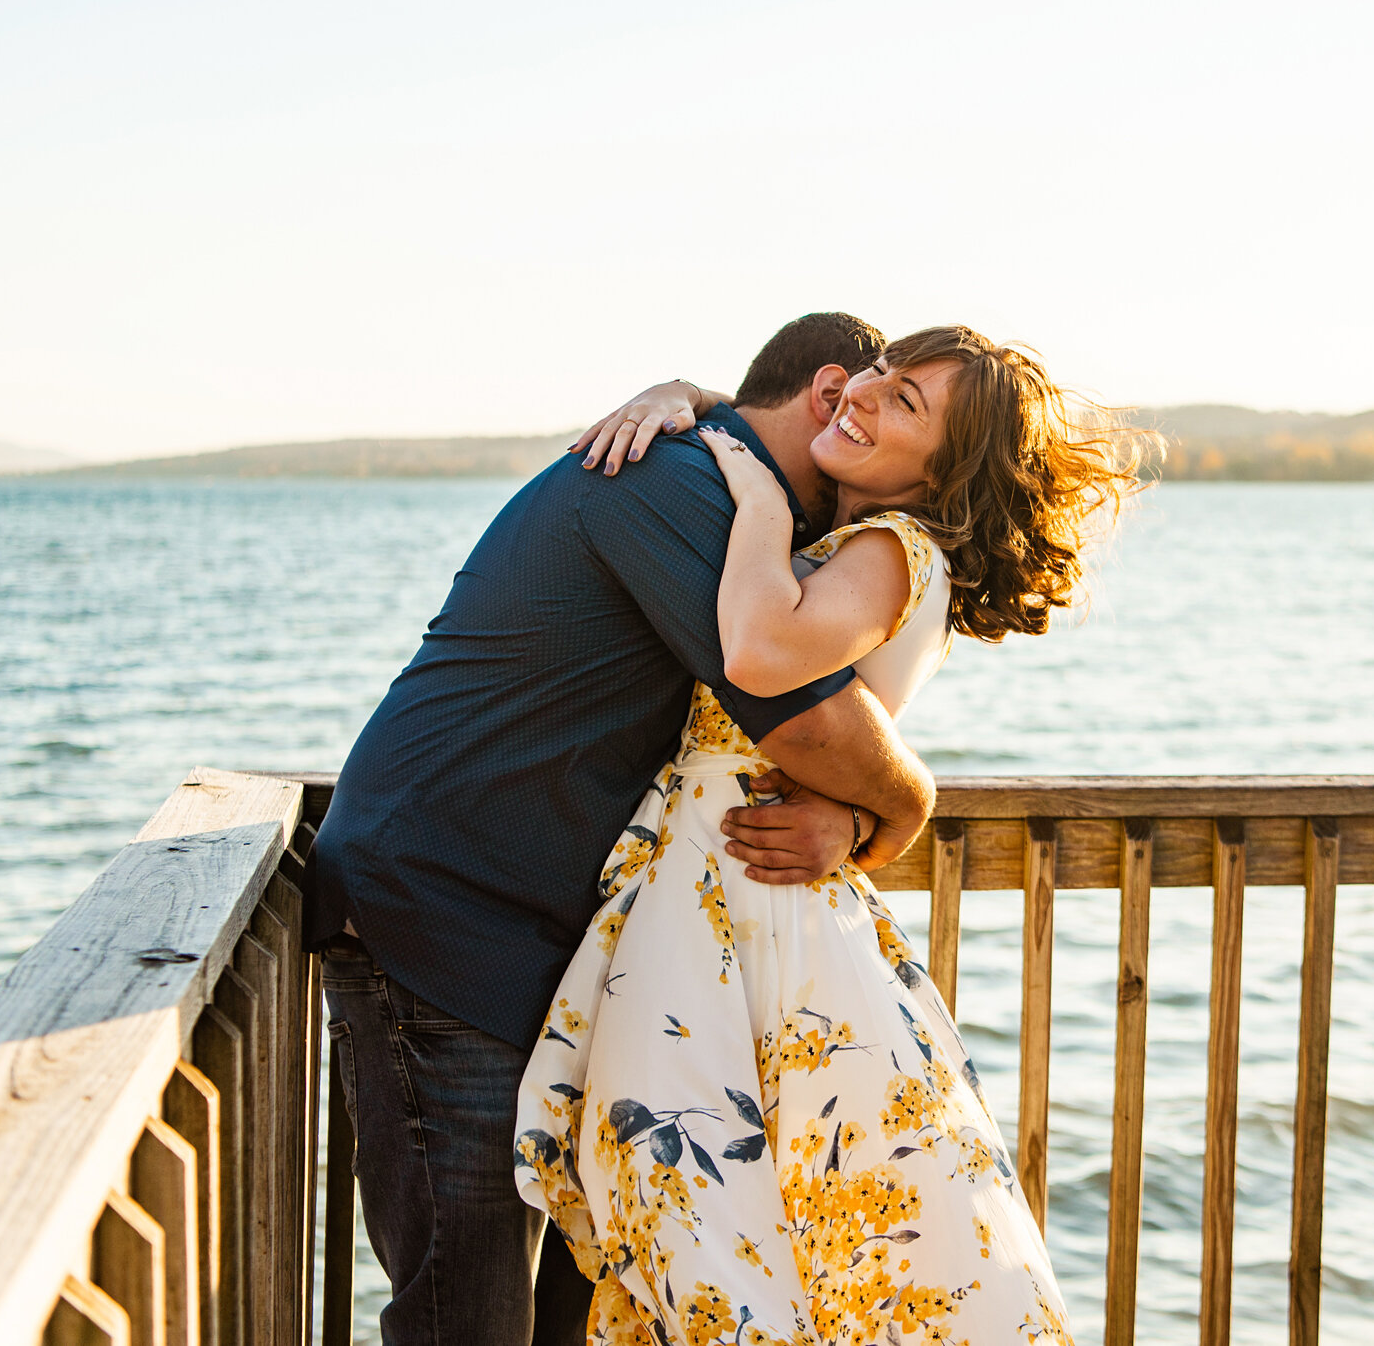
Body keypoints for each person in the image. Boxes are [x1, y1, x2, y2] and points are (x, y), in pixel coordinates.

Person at [307, 312, 941, 1346]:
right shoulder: (671, 483)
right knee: (464, 1315)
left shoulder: (726, 497)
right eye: (865, 396)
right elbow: (815, 722)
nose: (868, 418)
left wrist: (683, 389)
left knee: (573, 1310)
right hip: (438, 916)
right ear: (827, 393)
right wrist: (905, 807)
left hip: (530, 946)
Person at [514, 325, 1154, 1346]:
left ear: (945, 469)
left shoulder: (890, 550)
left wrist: (757, 497)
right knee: (750, 1217)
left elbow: (763, 653)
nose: (864, 397)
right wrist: (695, 397)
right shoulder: (849, 546)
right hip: (725, 891)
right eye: (879, 375)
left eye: (906, 404)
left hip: (747, 905)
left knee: (703, 1211)